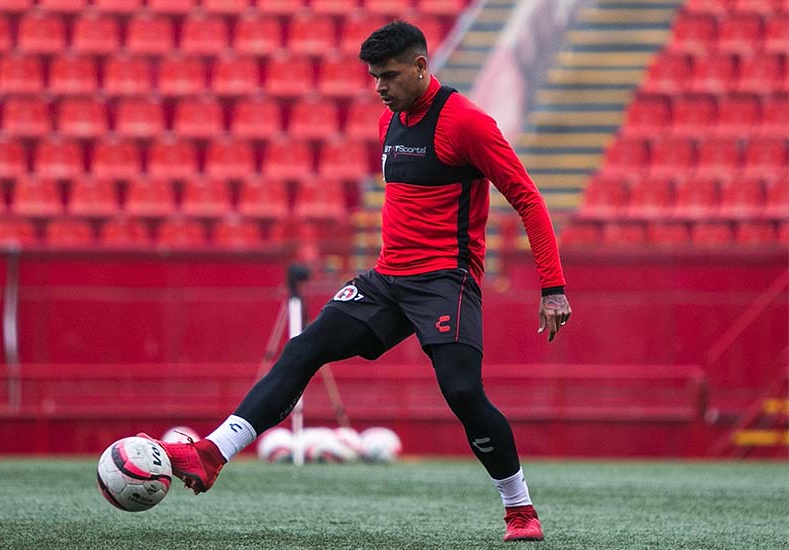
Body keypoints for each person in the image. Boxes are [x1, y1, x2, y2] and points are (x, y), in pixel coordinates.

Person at [142, 22, 571, 542]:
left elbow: (527, 197)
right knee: (304, 349)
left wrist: (552, 287)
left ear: (420, 66)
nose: (379, 87)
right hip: (387, 280)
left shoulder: (467, 123)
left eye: (389, 76)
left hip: (445, 280)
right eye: (373, 77)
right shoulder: (389, 121)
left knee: (461, 391)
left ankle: (520, 509)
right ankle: (213, 453)